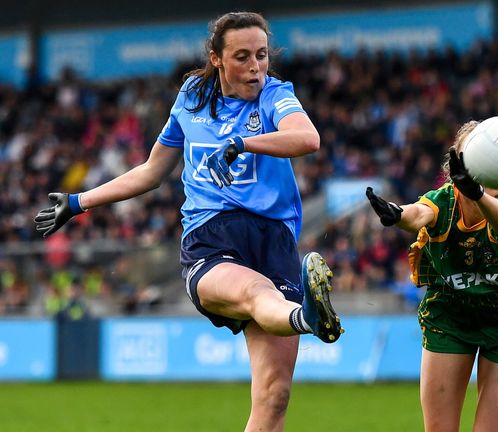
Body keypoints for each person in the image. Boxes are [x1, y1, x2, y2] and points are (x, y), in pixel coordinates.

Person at [34, 12, 342, 432]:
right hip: (212, 237)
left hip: (275, 240)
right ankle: (305, 317)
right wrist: (78, 201)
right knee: (256, 291)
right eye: (242, 57)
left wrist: (241, 143)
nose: (255, 67)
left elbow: (308, 139)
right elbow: (150, 172)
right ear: (216, 58)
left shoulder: (275, 95)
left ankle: (303, 316)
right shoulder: (192, 97)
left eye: (262, 55)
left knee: (274, 397)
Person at [366, 120, 498, 431]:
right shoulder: (442, 201)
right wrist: (397, 213)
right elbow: (419, 213)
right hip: (450, 317)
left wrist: (477, 195)